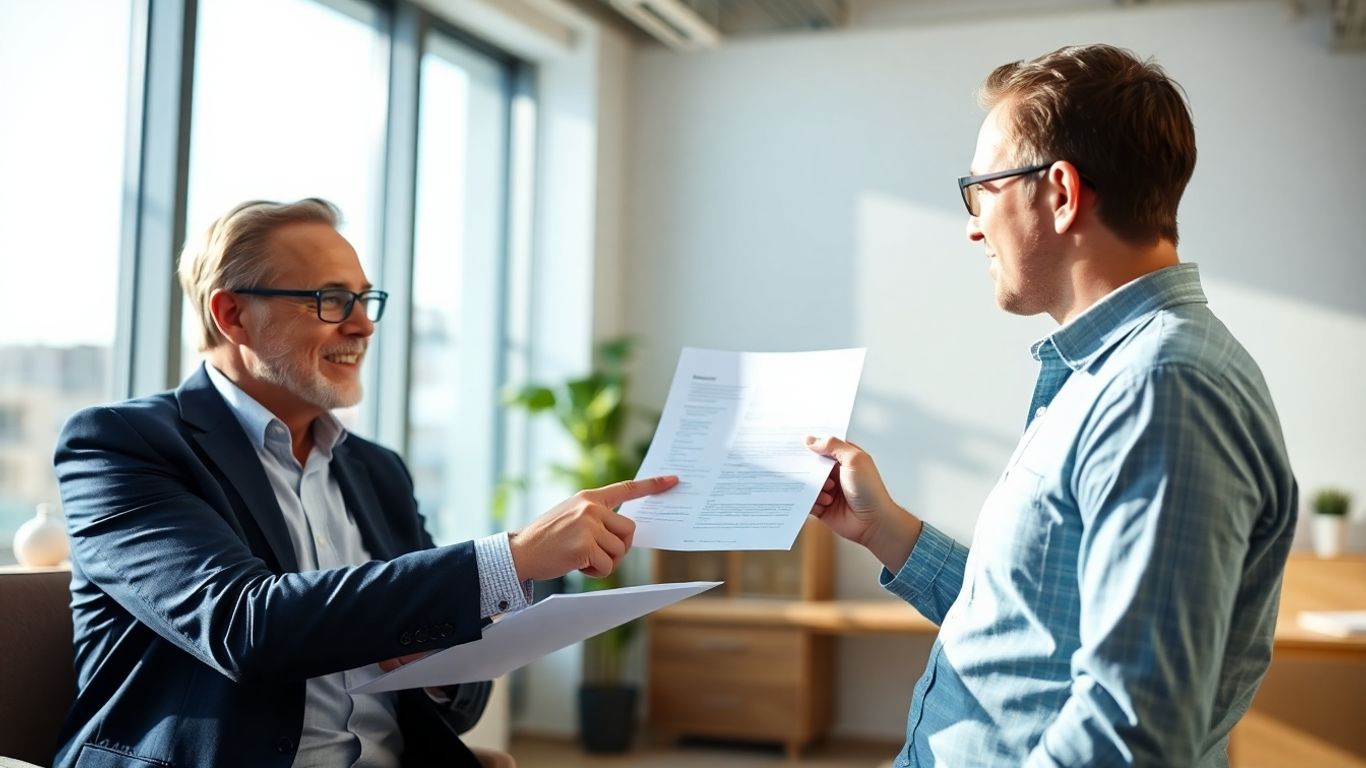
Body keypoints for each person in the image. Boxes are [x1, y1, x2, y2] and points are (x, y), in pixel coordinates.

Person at [52, 197, 678, 768]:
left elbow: (462, 700)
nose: (363, 326)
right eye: (330, 300)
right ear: (232, 313)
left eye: (365, 299)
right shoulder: (119, 444)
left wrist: (435, 662)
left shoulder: (376, 471)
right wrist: (509, 559)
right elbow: (243, 624)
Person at [805, 44, 1296, 766]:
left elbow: (1133, 731)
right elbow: (1038, 626)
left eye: (982, 191)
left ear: (1061, 192)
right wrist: (888, 533)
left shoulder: (1164, 387)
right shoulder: (1112, 374)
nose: (974, 226)